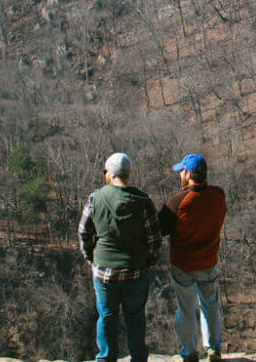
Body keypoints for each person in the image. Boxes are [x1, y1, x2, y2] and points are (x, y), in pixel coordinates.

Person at [79, 152, 161, 362]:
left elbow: (84, 233)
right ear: (128, 174)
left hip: (104, 271)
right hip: (135, 270)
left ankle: (105, 358)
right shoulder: (142, 201)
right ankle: (138, 358)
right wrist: (148, 261)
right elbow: (154, 238)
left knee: (106, 316)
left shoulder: (95, 199)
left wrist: (92, 258)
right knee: (135, 316)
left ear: (110, 174)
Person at [159, 154, 228, 362]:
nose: (180, 174)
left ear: (188, 174)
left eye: (182, 171)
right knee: (210, 303)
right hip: (208, 260)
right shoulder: (218, 195)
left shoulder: (176, 202)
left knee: (186, 308)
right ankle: (214, 347)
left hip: (182, 263)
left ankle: (190, 352)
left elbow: (159, 229)